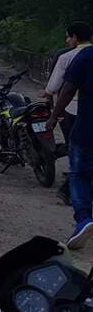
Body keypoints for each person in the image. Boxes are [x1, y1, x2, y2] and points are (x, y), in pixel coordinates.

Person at [46, 44, 93, 249]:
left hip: (86, 129)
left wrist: (54, 116)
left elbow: (67, 89)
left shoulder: (86, 55)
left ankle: (83, 219)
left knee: (79, 174)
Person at [44, 22, 92, 205]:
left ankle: (70, 190)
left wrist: (53, 113)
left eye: (68, 37)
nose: (67, 40)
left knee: (77, 150)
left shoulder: (67, 56)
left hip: (72, 110)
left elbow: (58, 87)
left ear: (75, 37)